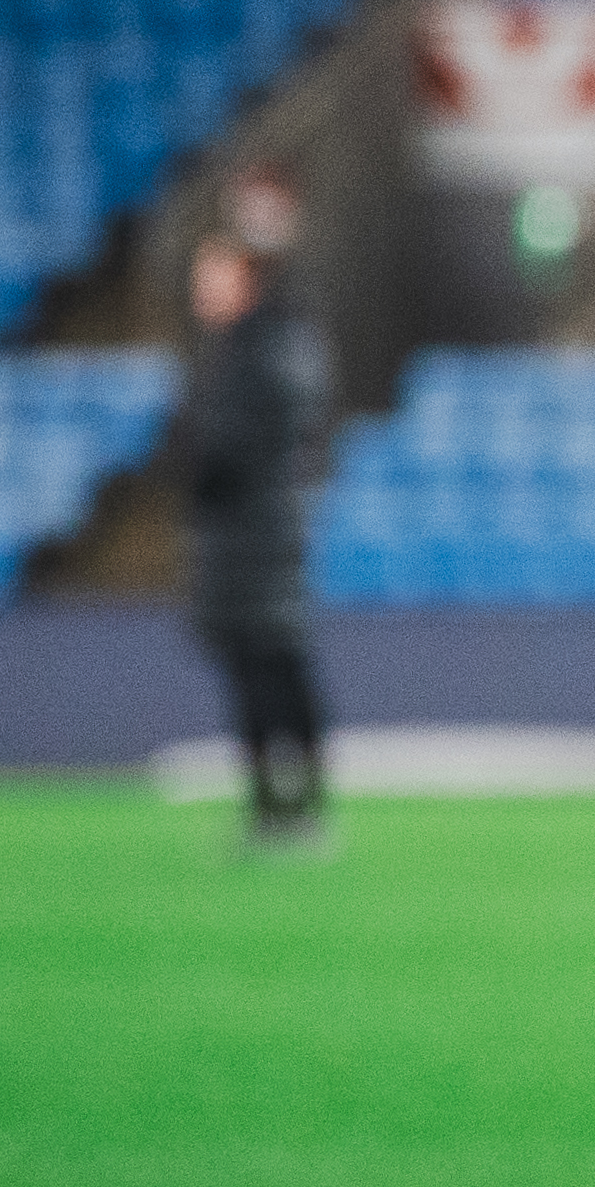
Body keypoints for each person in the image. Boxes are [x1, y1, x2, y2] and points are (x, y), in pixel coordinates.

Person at [178, 225, 332, 855]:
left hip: (257, 538)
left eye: (213, 274)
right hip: (246, 538)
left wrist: (203, 469)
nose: (201, 288)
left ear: (247, 279)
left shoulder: (265, 351)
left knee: (270, 670)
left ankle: (294, 805)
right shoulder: (247, 351)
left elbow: (232, 450)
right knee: (260, 670)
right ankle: (278, 804)